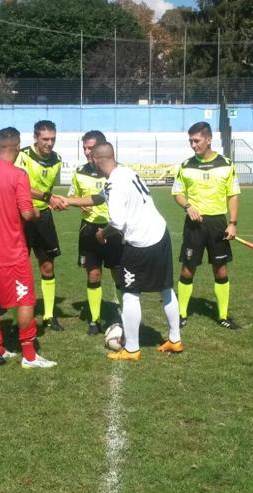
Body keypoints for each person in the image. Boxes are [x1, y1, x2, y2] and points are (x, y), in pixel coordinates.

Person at [64, 143, 183, 360]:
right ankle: (175, 340)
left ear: (96, 160)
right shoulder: (126, 172)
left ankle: (132, 349)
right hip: (160, 234)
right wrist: (67, 200)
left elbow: (117, 222)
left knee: (130, 293)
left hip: (141, 243)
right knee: (165, 289)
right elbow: (98, 198)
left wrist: (102, 234)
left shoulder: (114, 185)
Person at [0, 128, 57, 369]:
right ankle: (29, 355)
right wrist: (38, 212)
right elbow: (27, 213)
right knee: (25, 300)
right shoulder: (18, 175)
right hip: (13, 250)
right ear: (18, 146)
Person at [172, 121, 240, 329]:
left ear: (209, 139)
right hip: (194, 225)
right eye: (190, 141)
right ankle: (181, 314)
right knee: (187, 269)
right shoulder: (185, 166)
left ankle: (222, 316)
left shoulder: (226, 165)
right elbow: (177, 193)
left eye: (196, 140)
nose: (193, 145)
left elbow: (233, 195)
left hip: (218, 223)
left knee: (220, 270)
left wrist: (232, 223)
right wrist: (188, 206)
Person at [68, 130, 122, 335]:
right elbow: (73, 196)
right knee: (93, 274)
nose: (86, 152)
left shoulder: (117, 171)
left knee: (118, 273)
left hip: (113, 229)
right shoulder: (80, 172)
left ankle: (123, 313)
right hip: (89, 229)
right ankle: (94, 319)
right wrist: (79, 205)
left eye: (90, 147)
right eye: (84, 148)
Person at [14, 120, 66, 331]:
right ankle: (17, 315)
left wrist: (51, 201)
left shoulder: (57, 160)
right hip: (23, 216)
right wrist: (48, 196)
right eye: (45, 139)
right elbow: (20, 184)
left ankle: (49, 315)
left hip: (43, 216)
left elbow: (50, 188)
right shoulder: (23, 156)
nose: (50, 143)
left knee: (47, 265)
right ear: (35, 137)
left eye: (53, 139)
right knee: (19, 267)